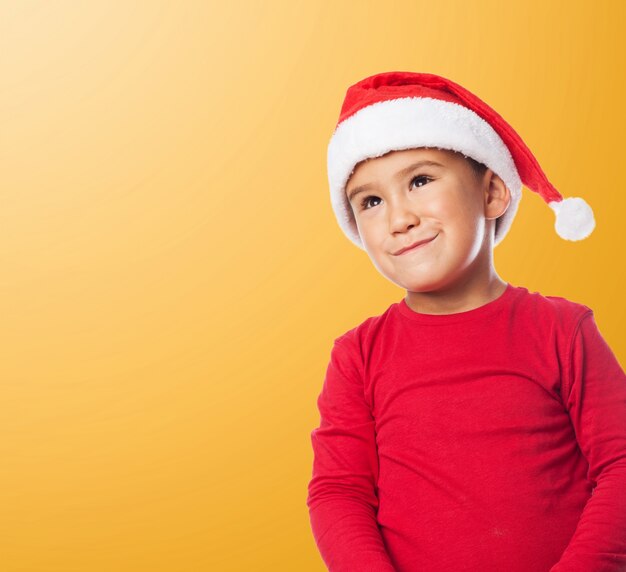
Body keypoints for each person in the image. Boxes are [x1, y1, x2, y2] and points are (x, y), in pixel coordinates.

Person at [306, 71, 626, 572]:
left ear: (493, 192)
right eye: (371, 201)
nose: (399, 218)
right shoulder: (357, 356)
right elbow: (338, 492)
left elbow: (621, 466)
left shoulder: (563, 330)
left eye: (420, 180)